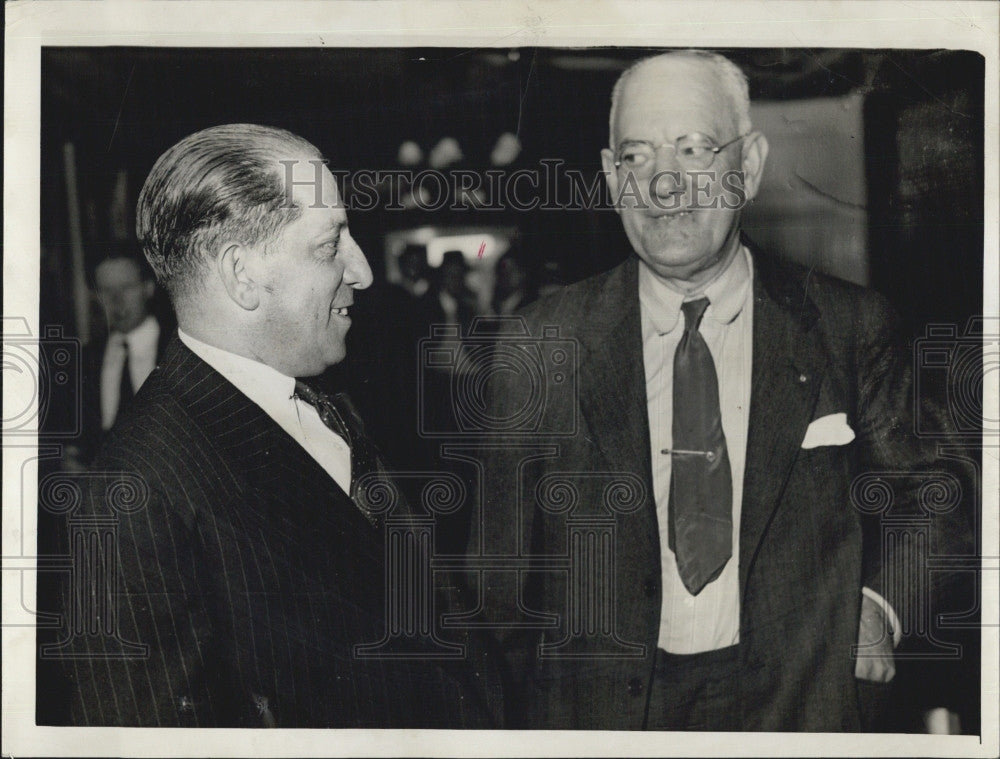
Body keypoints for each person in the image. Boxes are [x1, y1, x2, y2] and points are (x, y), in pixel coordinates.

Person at [469, 51, 972, 731]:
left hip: (800, 706)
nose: (665, 184)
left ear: (750, 165)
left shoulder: (847, 327)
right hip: (602, 718)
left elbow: (933, 494)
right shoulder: (540, 342)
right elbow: (496, 581)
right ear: (613, 178)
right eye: (637, 156)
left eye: (694, 148)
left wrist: (882, 606)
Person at [61, 124, 495, 728]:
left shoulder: (323, 396)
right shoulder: (136, 491)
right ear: (242, 275)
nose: (363, 270)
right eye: (329, 245)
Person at [71, 245, 170, 466]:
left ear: (149, 287)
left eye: (127, 287)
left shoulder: (177, 349)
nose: (117, 300)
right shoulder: (84, 360)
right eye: (106, 290)